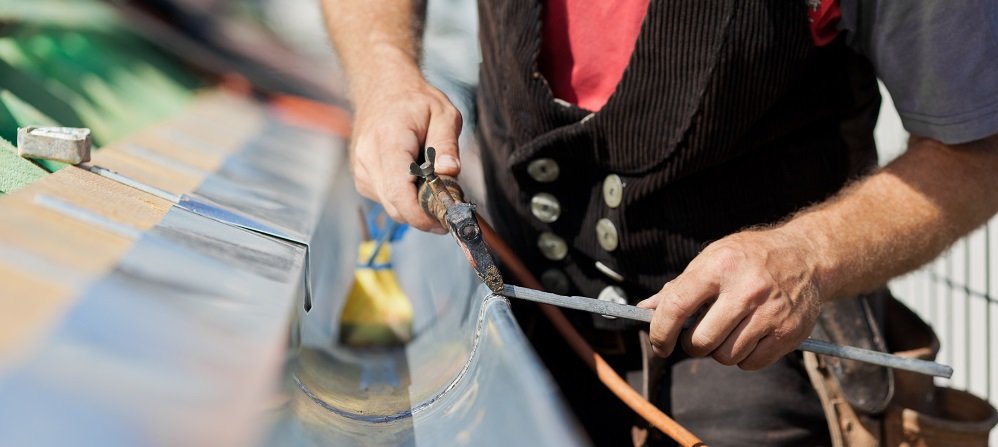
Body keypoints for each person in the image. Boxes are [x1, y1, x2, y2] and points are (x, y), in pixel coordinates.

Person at [321, 0, 998, 445]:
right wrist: (385, 73)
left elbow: (979, 154)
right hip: (512, 348)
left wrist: (808, 254)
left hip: (758, 363)